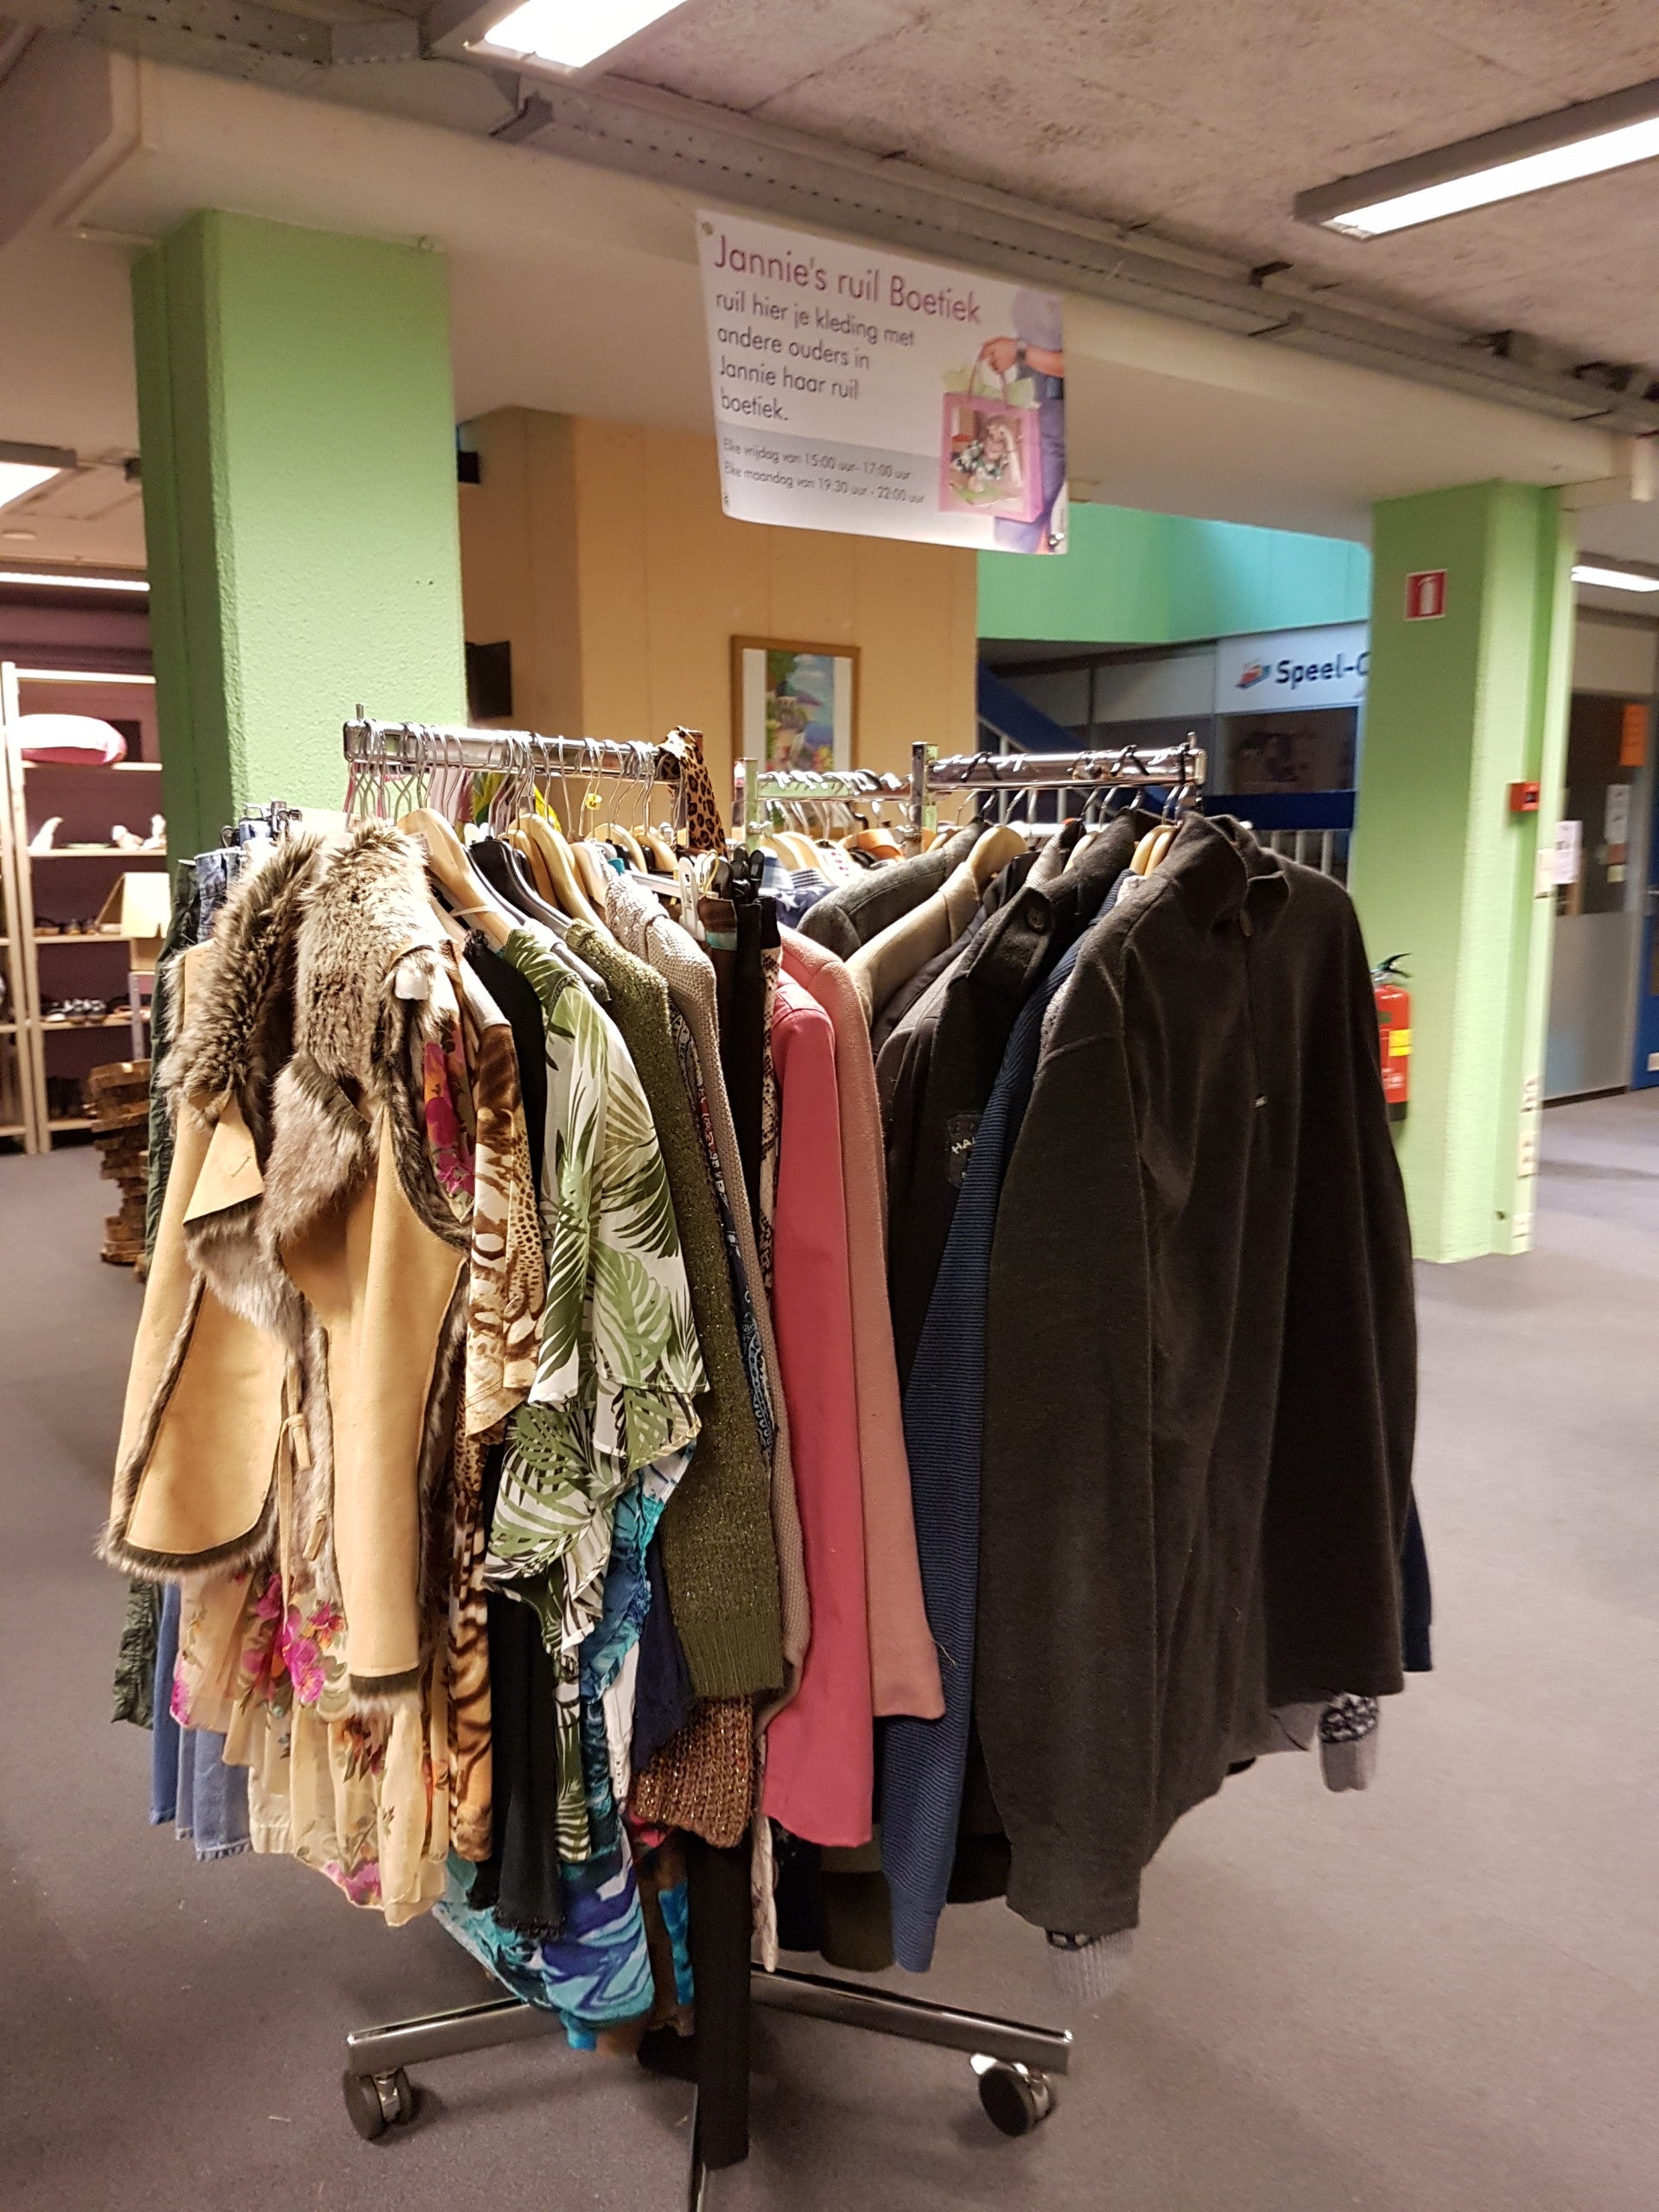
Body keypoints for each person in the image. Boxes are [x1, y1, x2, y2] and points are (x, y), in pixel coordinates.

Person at [976, 289, 1066, 555]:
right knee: (1013, 532)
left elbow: (1088, 362)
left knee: (1020, 535)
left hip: (1055, 427)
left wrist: (1020, 352)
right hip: (1028, 420)